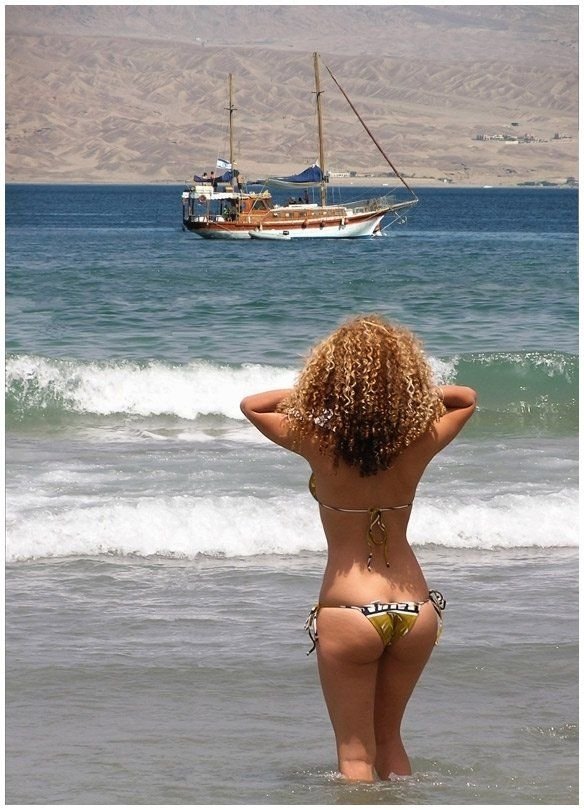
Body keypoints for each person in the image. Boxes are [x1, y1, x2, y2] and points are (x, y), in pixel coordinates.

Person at [240, 314, 477, 782]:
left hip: (349, 611)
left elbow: (253, 406)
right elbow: (464, 398)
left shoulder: (318, 443)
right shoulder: (419, 443)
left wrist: (325, 394)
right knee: (390, 741)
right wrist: (397, 393)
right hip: (416, 609)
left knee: (354, 755)